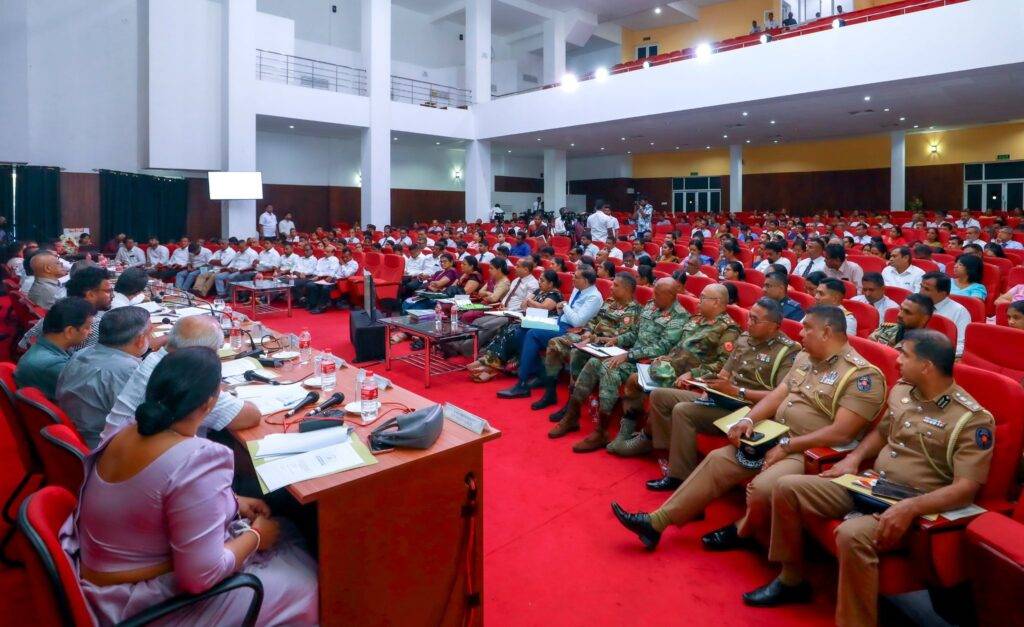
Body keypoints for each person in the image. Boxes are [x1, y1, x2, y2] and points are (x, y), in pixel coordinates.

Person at [746, 331, 993, 626]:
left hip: (913, 504)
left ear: (926, 366)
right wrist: (853, 458)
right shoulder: (902, 391)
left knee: (851, 535)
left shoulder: (971, 419)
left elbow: (966, 489)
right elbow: (882, 432)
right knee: (787, 487)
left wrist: (911, 508)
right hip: (871, 484)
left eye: (904, 355)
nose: (896, 361)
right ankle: (791, 578)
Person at [67, 347, 318, 625]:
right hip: (142, 604)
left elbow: (150, 498)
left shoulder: (125, 431)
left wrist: (232, 500)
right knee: (307, 583)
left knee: (288, 532)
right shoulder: (199, 458)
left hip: (102, 583)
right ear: (210, 404)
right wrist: (256, 537)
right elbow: (201, 577)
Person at [611, 306, 886, 551]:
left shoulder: (862, 376)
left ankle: (743, 530)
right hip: (776, 434)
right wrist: (749, 420)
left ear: (826, 332)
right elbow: (778, 395)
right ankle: (656, 522)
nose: (800, 333)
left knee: (762, 487)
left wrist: (786, 446)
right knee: (718, 459)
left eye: (807, 328)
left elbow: (841, 433)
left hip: (809, 451)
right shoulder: (805, 358)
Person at [616, 298, 799, 487]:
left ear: (774, 326)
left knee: (682, 410)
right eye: (749, 317)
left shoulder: (788, 351)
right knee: (660, 395)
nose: (749, 323)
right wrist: (710, 388)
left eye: (755, 320)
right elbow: (725, 373)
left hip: (748, 410)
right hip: (725, 398)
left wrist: (737, 391)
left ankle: (678, 476)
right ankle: (660, 450)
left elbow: (780, 396)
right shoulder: (745, 338)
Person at [554, 278, 688, 453]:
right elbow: (635, 333)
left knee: (609, 369)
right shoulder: (651, 306)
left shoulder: (679, 316)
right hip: (632, 356)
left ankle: (601, 431)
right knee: (594, 362)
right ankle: (572, 416)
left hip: (650, 365)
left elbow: (662, 347)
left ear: (670, 295)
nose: (652, 296)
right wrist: (617, 340)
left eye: (657, 294)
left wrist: (628, 355)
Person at [603, 284, 741, 452]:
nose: (698, 301)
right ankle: (626, 431)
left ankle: (645, 440)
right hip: (669, 369)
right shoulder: (696, 319)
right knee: (633, 379)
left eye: (703, 297)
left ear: (716, 302)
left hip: (690, 380)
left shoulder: (728, 329)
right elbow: (679, 346)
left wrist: (693, 373)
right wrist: (666, 357)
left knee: (658, 396)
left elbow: (723, 364)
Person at [101, 315, 261, 440]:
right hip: (142, 460)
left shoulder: (157, 358)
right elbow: (250, 417)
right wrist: (217, 390)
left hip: (120, 450)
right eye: (217, 349)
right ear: (202, 352)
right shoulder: (188, 376)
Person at [538, 274, 642, 415]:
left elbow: (619, 336)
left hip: (608, 347)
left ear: (627, 289)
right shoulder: (609, 302)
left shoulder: (634, 311)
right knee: (555, 343)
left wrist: (591, 338)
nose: (611, 287)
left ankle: (571, 403)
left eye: (616, 285)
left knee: (577, 352)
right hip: (591, 339)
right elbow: (594, 320)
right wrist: (587, 331)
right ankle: (550, 392)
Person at [497, 268, 602, 399]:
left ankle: (522, 384)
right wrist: (561, 309)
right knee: (521, 329)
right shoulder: (578, 289)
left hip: (573, 331)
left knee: (533, 334)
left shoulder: (594, 297)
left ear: (585, 281)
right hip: (559, 322)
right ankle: (541, 373)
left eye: (576, 277)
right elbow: (567, 313)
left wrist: (564, 306)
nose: (572, 278)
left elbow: (577, 322)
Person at [56, 307, 150, 448]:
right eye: (150, 332)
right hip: (101, 446)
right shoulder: (127, 369)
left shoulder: (82, 352)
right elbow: (143, 422)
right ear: (141, 340)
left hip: (72, 435)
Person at [468, 270, 563, 382]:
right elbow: (523, 305)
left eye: (542, 280)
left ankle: (489, 365)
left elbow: (543, 308)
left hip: (542, 325)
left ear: (551, 283)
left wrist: (530, 302)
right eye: (539, 279)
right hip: (528, 321)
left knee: (513, 331)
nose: (539, 282)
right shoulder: (539, 291)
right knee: (506, 328)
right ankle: (489, 362)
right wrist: (531, 303)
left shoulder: (555, 295)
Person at [14, 297, 95, 399]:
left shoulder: (48, 347)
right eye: (87, 327)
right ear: (70, 331)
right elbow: (93, 396)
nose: (91, 332)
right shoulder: (54, 366)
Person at [20, 265, 114, 352]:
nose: (112, 295)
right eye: (108, 291)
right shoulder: (94, 324)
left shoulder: (58, 310)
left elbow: (23, 343)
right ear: (90, 294)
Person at [920, 272, 970, 357]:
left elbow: (962, 346)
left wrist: (934, 353)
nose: (921, 292)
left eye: (927, 289)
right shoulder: (917, 304)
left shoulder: (960, 312)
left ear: (942, 293)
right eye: (921, 286)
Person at [869, 293, 934, 347]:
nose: (899, 315)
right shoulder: (885, 329)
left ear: (924, 319)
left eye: (907, 312)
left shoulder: (927, 346)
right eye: (901, 309)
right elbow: (867, 348)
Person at [306, 248, 356, 314]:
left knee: (325, 287)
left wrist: (343, 265)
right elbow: (332, 271)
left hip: (341, 282)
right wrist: (321, 276)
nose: (345, 259)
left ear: (351, 255)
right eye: (343, 257)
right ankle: (313, 304)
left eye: (347, 257)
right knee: (311, 285)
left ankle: (321, 307)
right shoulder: (339, 261)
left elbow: (347, 275)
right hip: (331, 278)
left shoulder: (354, 264)